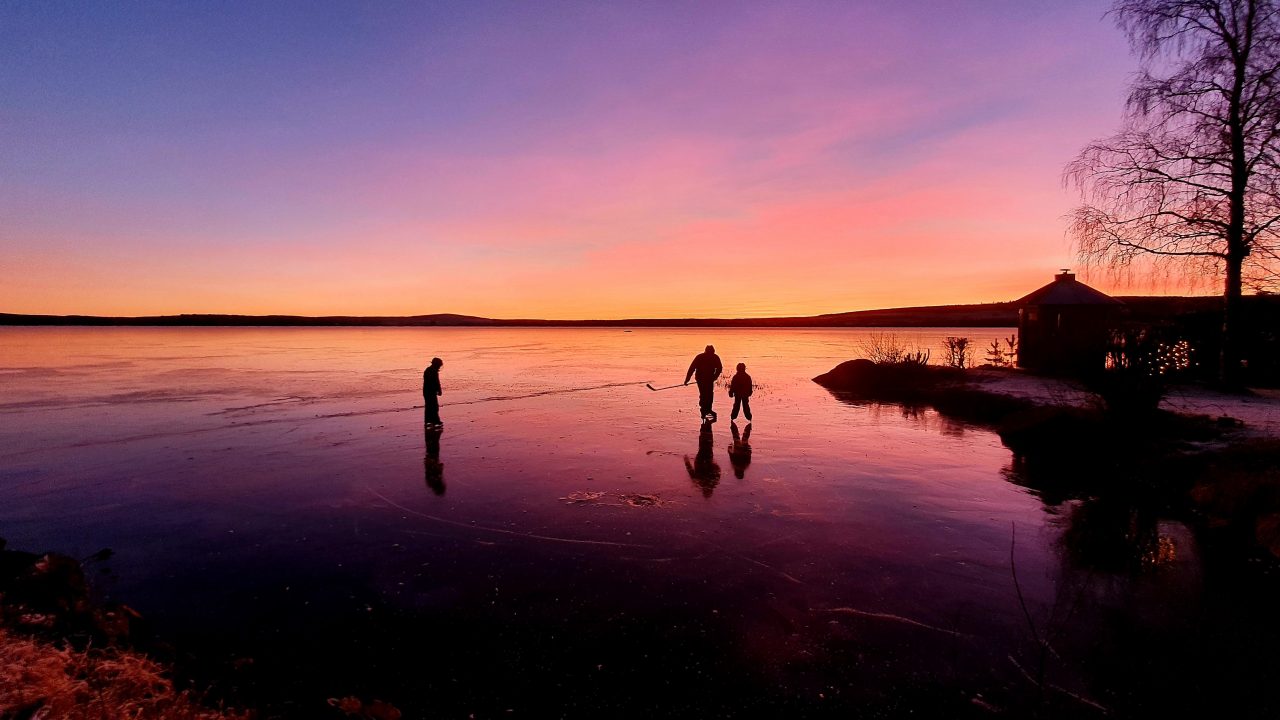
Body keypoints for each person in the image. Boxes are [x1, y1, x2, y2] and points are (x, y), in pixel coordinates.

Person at [684, 344, 723, 421]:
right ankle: (704, 410)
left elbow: (719, 368)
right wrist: (687, 379)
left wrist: (714, 377)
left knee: (708, 395)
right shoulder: (703, 357)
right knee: (705, 394)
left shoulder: (712, 357)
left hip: (708, 379)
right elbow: (692, 368)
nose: (710, 354)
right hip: (701, 379)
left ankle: (707, 410)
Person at [423, 357, 444, 427]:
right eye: (439, 365)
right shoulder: (433, 371)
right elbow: (436, 382)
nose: (439, 367)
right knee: (433, 407)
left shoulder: (428, 370)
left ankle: (429, 421)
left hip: (427, 391)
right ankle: (435, 421)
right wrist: (439, 390)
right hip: (430, 391)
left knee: (429, 406)